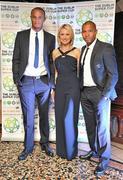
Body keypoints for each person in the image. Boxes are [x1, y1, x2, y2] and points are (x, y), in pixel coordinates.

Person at [12, 7, 55, 160]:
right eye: (34, 17)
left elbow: (51, 61)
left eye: (40, 17)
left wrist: (51, 83)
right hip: (27, 82)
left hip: (44, 81)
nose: (37, 20)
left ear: (44, 19)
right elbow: (16, 59)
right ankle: (28, 147)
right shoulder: (21, 36)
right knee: (28, 117)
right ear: (31, 18)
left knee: (44, 115)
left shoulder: (50, 38)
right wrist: (17, 79)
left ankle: (45, 144)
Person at [79, 21, 118, 175]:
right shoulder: (83, 49)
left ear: (95, 31)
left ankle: (104, 159)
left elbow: (113, 74)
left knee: (102, 128)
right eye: (84, 31)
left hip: (100, 93)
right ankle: (93, 150)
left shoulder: (105, 47)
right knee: (90, 126)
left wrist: (105, 95)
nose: (86, 34)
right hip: (85, 92)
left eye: (90, 31)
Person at [52, 24, 80, 160]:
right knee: (59, 118)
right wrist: (54, 90)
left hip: (73, 88)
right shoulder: (54, 53)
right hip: (60, 87)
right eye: (62, 34)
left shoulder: (77, 52)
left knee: (69, 118)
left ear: (71, 36)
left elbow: (80, 73)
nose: (64, 37)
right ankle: (61, 151)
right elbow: (55, 73)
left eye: (67, 34)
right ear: (59, 36)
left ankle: (71, 151)